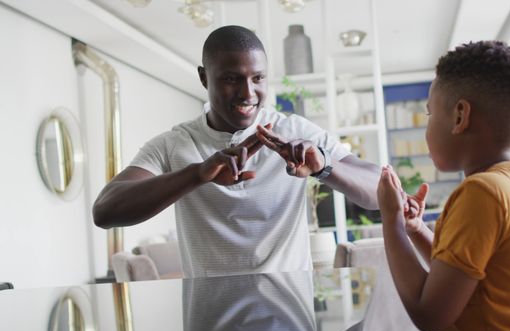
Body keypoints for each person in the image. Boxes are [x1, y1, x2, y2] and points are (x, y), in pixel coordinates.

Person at [93, 25, 380, 277]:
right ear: (204, 78)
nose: (247, 93)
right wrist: (197, 174)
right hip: (209, 316)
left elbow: (379, 191)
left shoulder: (295, 132)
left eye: (258, 78)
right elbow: (105, 211)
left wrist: (324, 166)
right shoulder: (175, 143)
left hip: (289, 311)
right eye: (231, 79)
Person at [377, 41, 510, 331]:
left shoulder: (481, 193)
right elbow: (460, 274)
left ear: (459, 117)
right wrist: (414, 229)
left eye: (430, 114)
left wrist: (391, 221)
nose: (427, 127)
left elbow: (430, 315)